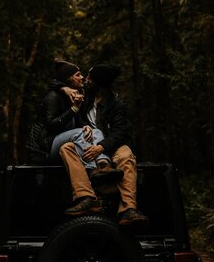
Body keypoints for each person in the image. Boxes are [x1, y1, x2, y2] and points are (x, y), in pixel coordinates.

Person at [59, 64, 147, 226]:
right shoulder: (84, 97)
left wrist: (101, 147)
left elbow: (120, 132)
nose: (86, 79)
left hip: (112, 145)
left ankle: (128, 209)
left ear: (99, 82)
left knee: (126, 156)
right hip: (87, 143)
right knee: (66, 148)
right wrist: (64, 90)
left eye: (90, 77)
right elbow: (56, 83)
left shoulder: (117, 104)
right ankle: (86, 197)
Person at [39, 60, 122, 211]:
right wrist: (73, 109)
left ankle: (104, 165)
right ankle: (92, 170)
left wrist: (85, 126)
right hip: (50, 145)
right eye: (78, 75)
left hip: (68, 139)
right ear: (68, 78)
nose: (82, 77)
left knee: (96, 131)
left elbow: (78, 120)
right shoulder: (53, 96)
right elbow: (51, 125)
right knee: (80, 134)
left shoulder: (77, 94)